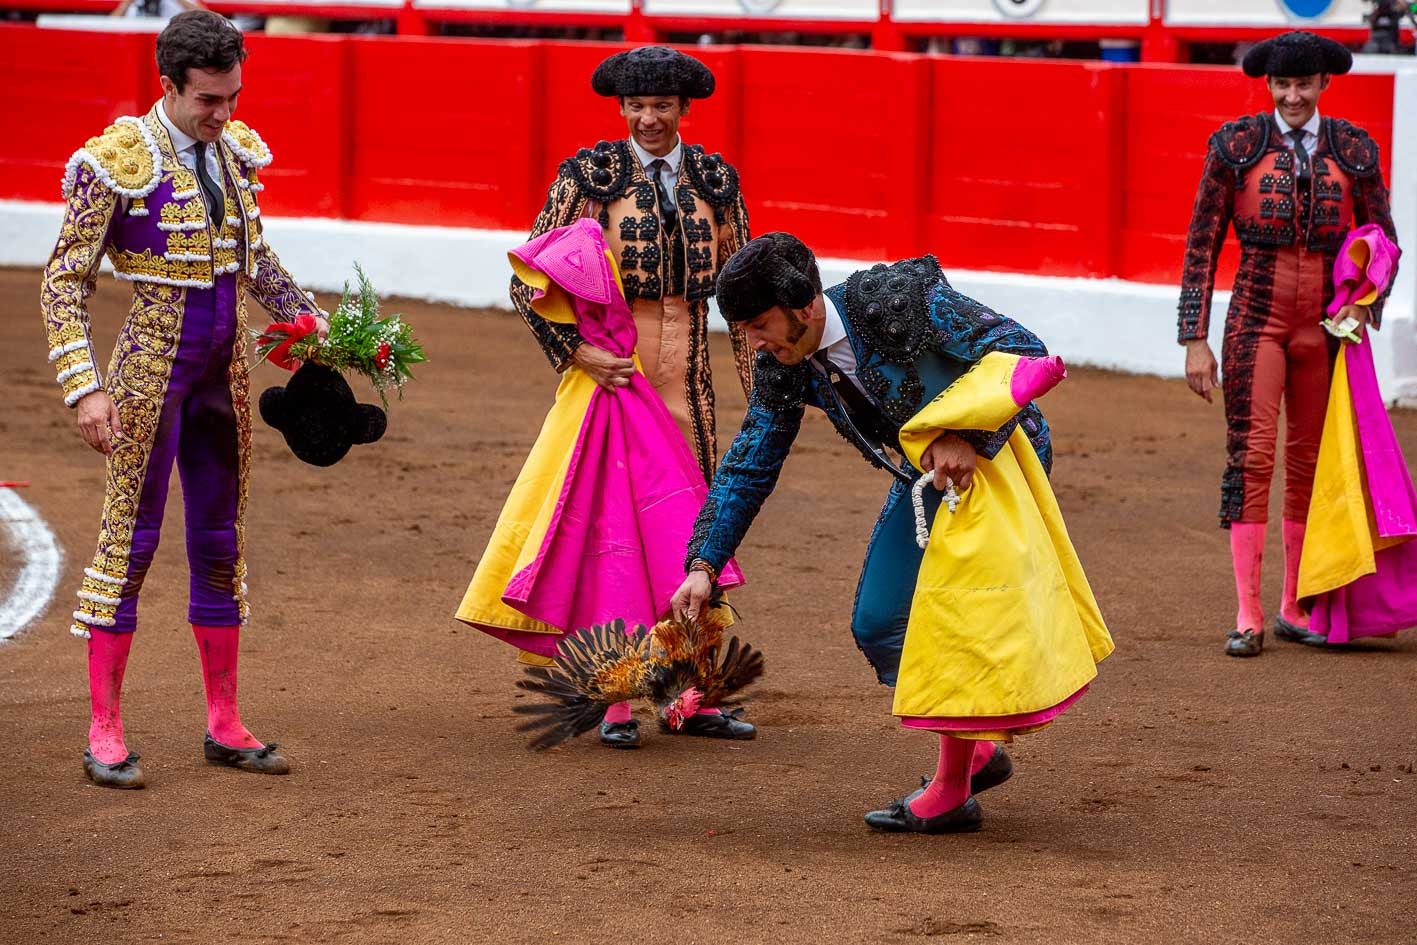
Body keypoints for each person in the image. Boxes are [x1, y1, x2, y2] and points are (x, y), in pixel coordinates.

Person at [670, 233, 1113, 834]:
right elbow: (752, 459)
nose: (753, 343)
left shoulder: (894, 297)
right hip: (928, 474)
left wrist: (970, 436)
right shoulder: (785, 362)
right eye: (743, 329)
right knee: (879, 623)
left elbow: (1020, 346)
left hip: (1003, 457)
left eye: (758, 325)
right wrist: (704, 563)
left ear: (803, 309)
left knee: (950, 616)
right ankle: (975, 746)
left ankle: (953, 788)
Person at [40, 10, 329, 788]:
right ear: (167, 86)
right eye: (208, 100)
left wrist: (316, 325)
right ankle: (104, 726)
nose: (224, 114)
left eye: (232, 96)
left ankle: (224, 722)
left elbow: (254, 256)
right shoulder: (116, 161)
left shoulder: (234, 152)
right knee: (128, 541)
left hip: (222, 371)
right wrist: (85, 385)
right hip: (148, 369)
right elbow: (65, 280)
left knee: (218, 539)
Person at [502, 45, 754, 748]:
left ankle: (690, 692)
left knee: (699, 532)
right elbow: (529, 278)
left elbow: (746, 292)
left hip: (690, 376)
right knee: (612, 534)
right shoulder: (590, 176)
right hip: (613, 375)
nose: (647, 117)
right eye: (636, 106)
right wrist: (572, 352)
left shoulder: (714, 180)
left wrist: (762, 396)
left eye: (661, 107)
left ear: (682, 110)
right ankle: (616, 694)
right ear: (620, 108)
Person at [1177, 30, 1400, 657]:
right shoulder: (1236, 146)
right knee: (1250, 456)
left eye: (1304, 84)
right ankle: (1248, 611)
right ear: (1269, 85)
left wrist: (1364, 306)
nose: (1294, 95)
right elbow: (1201, 243)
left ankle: (1294, 603)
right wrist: (1194, 339)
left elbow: (1384, 242)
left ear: (1324, 84)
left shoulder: (1354, 149)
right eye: (1283, 84)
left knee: (1308, 462)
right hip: (1255, 317)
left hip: (1324, 327)